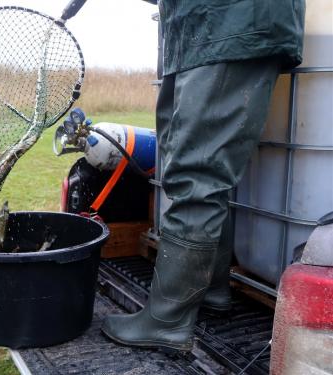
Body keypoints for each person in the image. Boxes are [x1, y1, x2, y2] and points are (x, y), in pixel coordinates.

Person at [101, 0, 305, 352]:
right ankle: (210, 287)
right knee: (190, 164)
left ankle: (168, 321)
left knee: (197, 171)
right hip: (197, 30)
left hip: (230, 21)